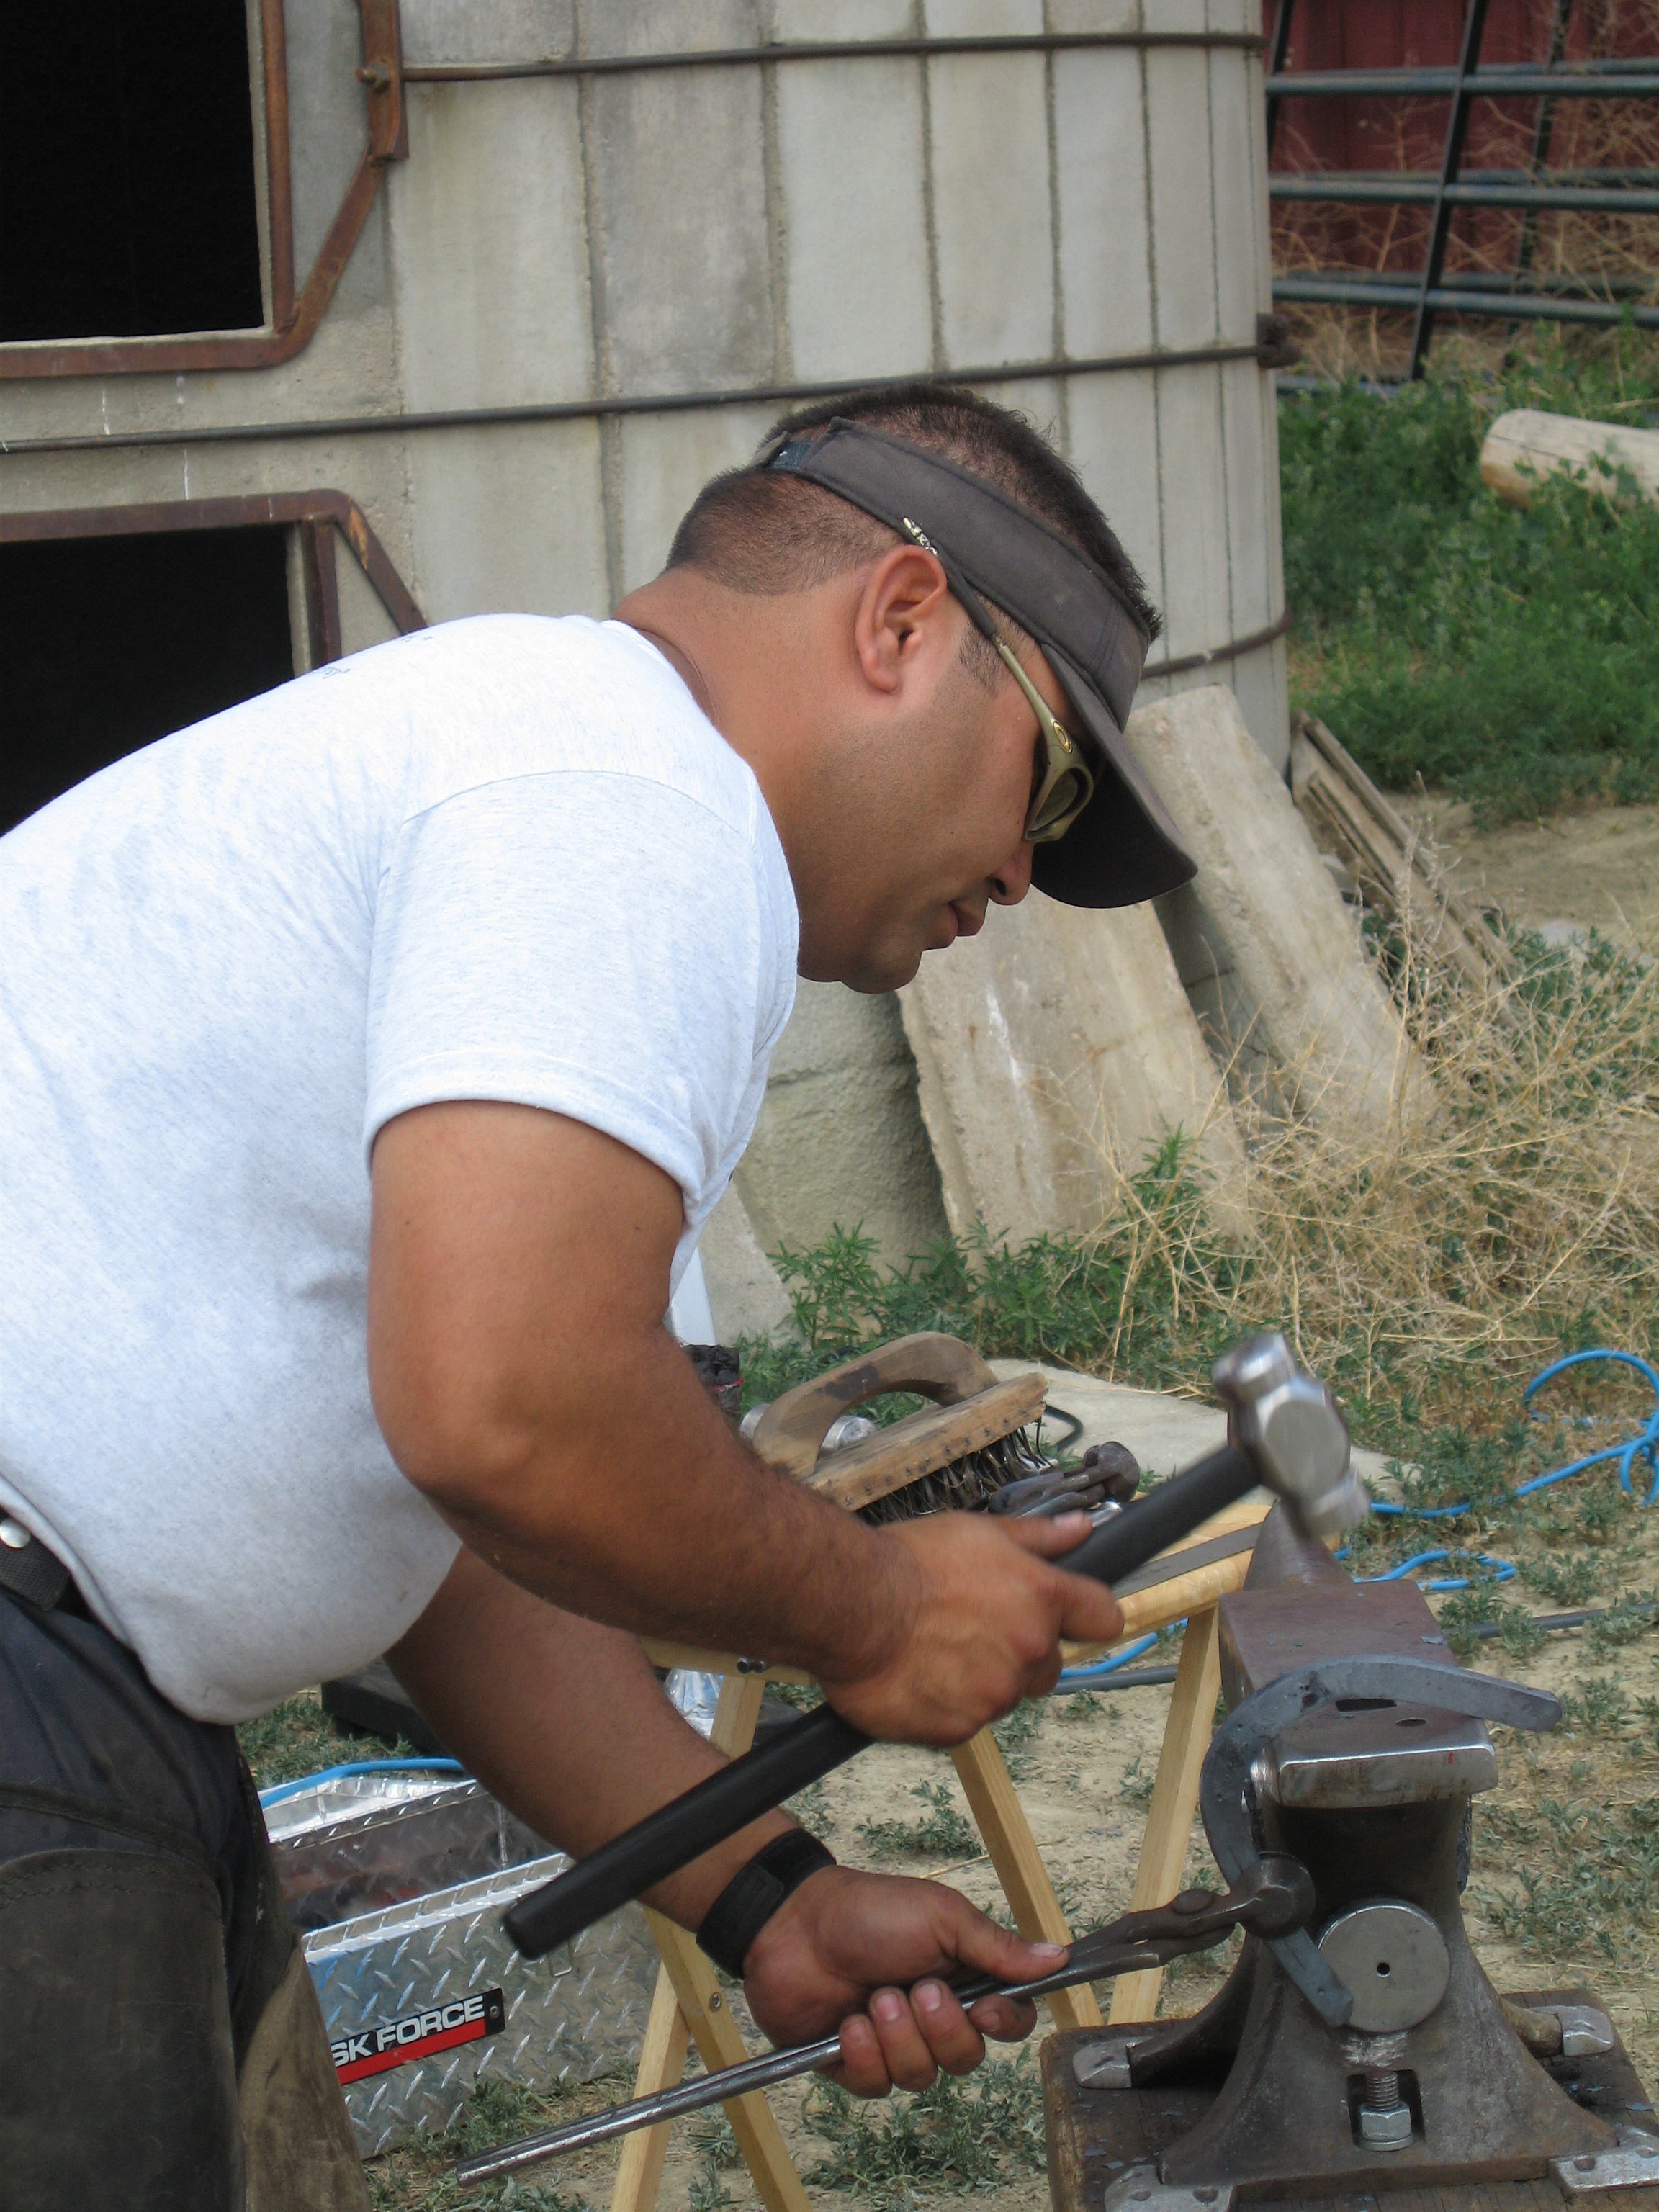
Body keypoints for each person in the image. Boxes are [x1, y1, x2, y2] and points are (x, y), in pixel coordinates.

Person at [0, 382, 1197, 2209]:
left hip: (89, 1700)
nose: (1026, 876)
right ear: (897, 619)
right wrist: (873, 1610)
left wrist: (768, 1898)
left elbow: (467, 1514)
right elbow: (511, 1410)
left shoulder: (546, 779)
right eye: (1044, 781)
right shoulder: (627, 793)